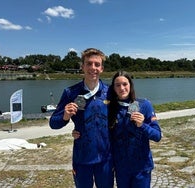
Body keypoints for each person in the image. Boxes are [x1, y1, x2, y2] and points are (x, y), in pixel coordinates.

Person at [49, 48, 114, 188]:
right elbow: (53, 123)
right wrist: (65, 116)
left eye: (97, 64)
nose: (93, 68)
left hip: (106, 157)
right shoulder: (70, 92)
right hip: (82, 157)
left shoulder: (111, 92)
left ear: (102, 68)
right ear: (82, 66)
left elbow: (122, 118)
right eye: (89, 64)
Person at [108, 70, 162, 188]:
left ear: (130, 85)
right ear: (113, 88)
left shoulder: (144, 104)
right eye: (118, 85)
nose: (122, 88)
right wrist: (78, 131)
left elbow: (157, 136)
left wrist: (142, 125)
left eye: (125, 84)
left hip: (141, 167)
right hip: (121, 168)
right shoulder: (110, 108)